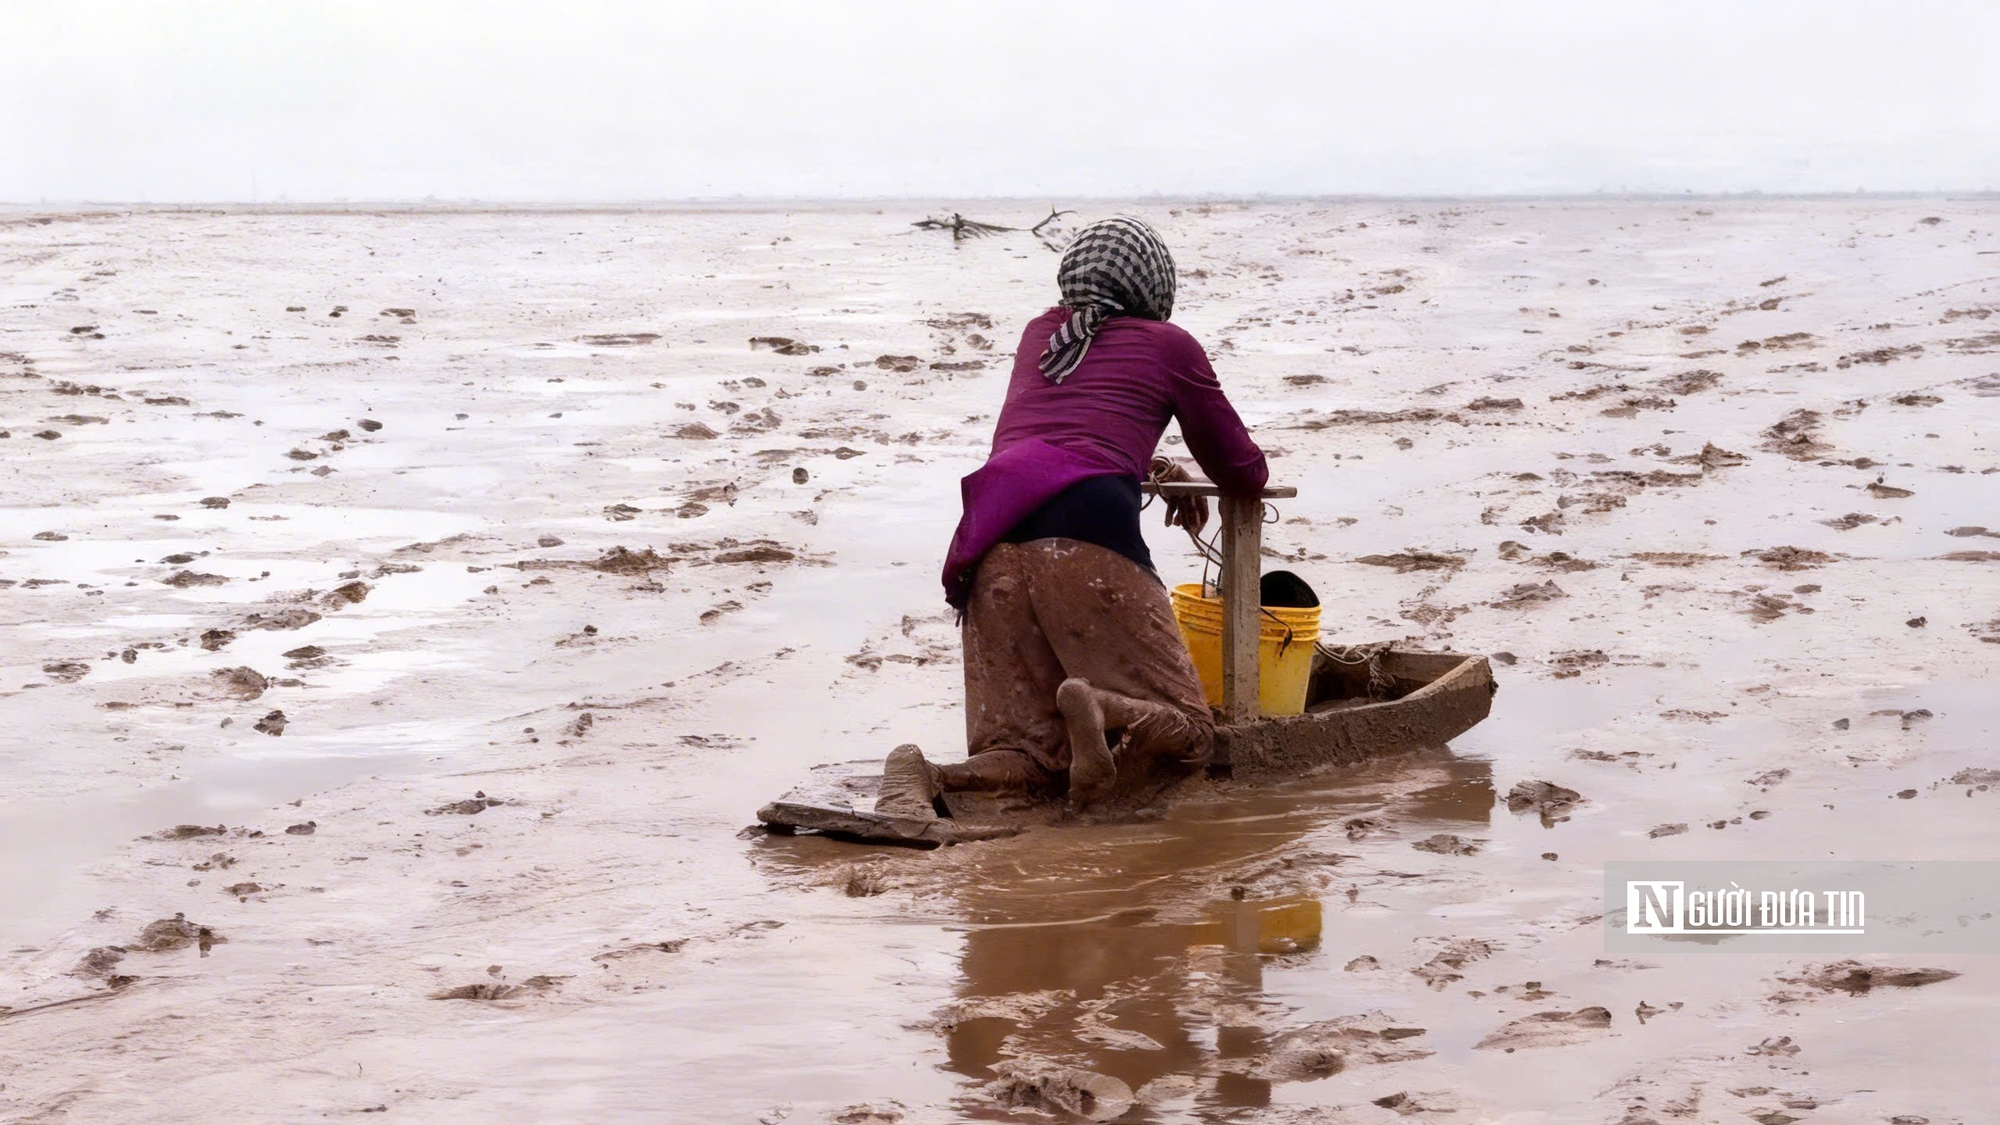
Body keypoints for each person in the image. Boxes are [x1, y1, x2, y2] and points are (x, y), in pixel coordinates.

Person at [877, 216, 1268, 817]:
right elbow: (1243, 471)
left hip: (991, 536)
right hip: (1089, 529)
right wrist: (1178, 465)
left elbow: (1065, 436)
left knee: (1027, 754)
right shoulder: (1170, 345)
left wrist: (1154, 463)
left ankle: (921, 772)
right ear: (1154, 288)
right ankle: (1099, 706)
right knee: (1194, 733)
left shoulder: (1041, 334)